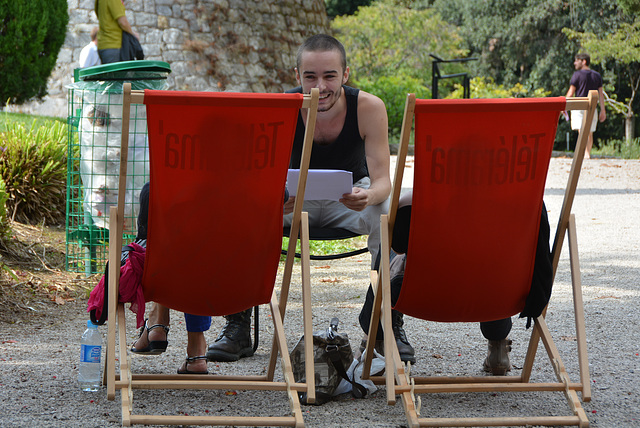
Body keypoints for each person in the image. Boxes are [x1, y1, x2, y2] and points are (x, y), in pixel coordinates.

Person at [205, 34, 417, 364]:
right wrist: (269, 199)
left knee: (391, 212)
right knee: (242, 209)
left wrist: (368, 196)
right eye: (311, 77)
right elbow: (254, 177)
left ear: (345, 75)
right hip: (292, 201)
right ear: (297, 76)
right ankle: (238, 324)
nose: (321, 86)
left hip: (350, 200)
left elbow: (382, 183)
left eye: (330, 76)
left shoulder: (368, 107)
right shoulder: (279, 108)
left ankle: (383, 321)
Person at [386, 191, 553, 375]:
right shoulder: (526, 199)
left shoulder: (419, 199)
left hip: (426, 293)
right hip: (499, 295)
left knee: (386, 244)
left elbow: (399, 244)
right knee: (494, 267)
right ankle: (498, 346)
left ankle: (381, 339)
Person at [565, 53, 606, 159]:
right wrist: (603, 110)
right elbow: (600, 94)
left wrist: (564, 105)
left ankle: (585, 154)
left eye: (576, 60)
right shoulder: (597, 75)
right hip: (592, 106)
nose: (574, 63)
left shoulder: (577, 75)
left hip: (579, 105)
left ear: (583, 61)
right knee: (590, 131)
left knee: (581, 130)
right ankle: (587, 153)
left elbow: (570, 93)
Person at [94, 0, 139, 64]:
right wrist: (133, 34)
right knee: (116, 74)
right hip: (114, 44)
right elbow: (123, 22)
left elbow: (97, 13)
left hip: (103, 44)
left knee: (109, 73)